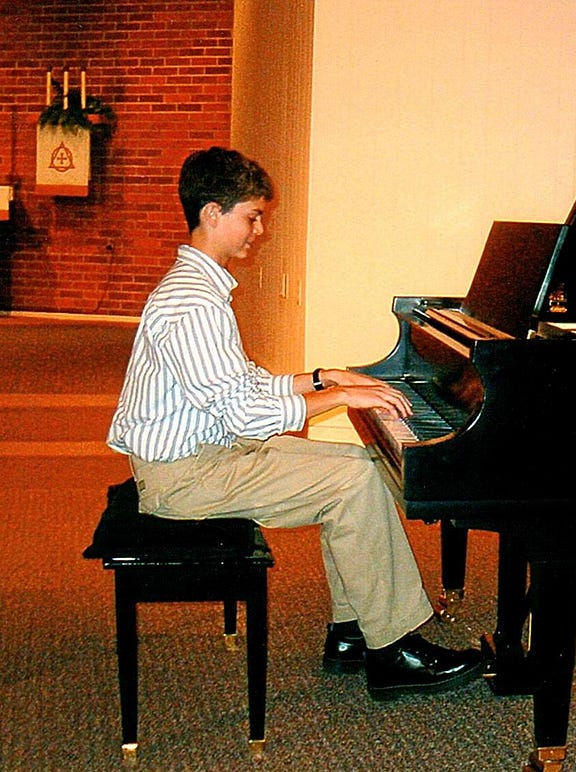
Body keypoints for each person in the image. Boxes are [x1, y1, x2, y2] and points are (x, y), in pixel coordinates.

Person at [106, 146, 482, 700]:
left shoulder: (199, 289)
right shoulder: (193, 303)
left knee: (364, 466)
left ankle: (355, 632)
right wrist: (338, 399)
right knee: (352, 481)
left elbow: (243, 385)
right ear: (213, 213)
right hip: (183, 477)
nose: (258, 230)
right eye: (251, 216)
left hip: (208, 455)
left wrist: (324, 377)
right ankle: (393, 651)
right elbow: (245, 414)